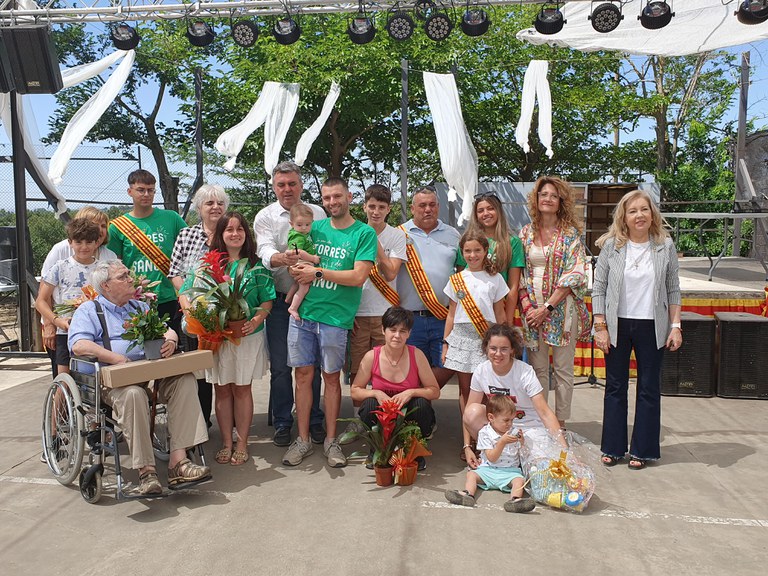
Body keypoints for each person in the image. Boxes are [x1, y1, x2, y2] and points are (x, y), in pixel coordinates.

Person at [68, 260, 211, 495]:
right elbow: (79, 345)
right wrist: (114, 358)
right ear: (106, 285)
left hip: (149, 375)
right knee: (133, 394)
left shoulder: (139, 306)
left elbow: (166, 329)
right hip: (114, 384)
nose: (130, 279)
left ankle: (178, 462)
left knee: (185, 381)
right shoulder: (90, 311)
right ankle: (146, 471)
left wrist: (171, 340)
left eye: (129, 274)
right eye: (123, 276)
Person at [283, 177, 378, 468]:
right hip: (304, 315)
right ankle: (302, 440)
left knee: (332, 378)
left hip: (336, 319)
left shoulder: (363, 233)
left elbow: (358, 276)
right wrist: (294, 265)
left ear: (349, 196)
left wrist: (318, 273)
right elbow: (297, 260)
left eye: (337, 196)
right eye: (326, 198)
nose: (332, 202)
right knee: (302, 377)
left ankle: (331, 440)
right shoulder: (315, 227)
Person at [592, 190, 682, 471]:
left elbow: (673, 288)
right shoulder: (611, 246)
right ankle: (613, 448)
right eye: (633, 211)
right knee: (615, 387)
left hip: (652, 326)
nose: (639, 215)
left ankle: (643, 450)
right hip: (617, 325)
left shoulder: (665, 246)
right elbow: (599, 288)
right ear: (624, 217)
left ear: (652, 214)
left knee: (649, 388)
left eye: (644, 209)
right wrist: (600, 326)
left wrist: (676, 326)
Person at [184, 212, 274, 467]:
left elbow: (267, 300)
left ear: (247, 233)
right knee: (221, 389)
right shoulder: (208, 264)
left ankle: (242, 443)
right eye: (229, 229)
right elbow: (186, 292)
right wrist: (196, 317)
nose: (235, 234)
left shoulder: (256, 265)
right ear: (220, 234)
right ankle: (226, 442)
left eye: (240, 229)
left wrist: (256, 320)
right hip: (217, 337)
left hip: (247, 336)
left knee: (242, 388)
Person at [253, 161, 327, 448]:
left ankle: (315, 419)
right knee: (282, 366)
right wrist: (282, 258)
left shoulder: (317, 213)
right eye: (281, 184)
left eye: (292, 183)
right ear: (274, 187)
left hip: (314, 299)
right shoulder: (266, 216)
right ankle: (283, 421)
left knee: (312, 364)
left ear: (301, 185)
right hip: (279, 301)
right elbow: (264, 249)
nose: (287, 189)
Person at [518, 176, 590, 430]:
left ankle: (560, 424)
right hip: (531, 312)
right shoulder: (525, 233)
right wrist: (529, 308)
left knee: (562, 370)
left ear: (561, 202)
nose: (547, 199)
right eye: (543, 194)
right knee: (537, 370)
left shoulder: (570, 235)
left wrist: (546, 308)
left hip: (561, 310)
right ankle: (541, 422)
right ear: (536, 199)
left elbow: (575, 274)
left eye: (553, 196)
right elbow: (519, 273)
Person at [343, 184, 406, 441]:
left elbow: (390, 273)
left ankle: (387, 418)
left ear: (389, 209)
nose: (376, 211)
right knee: (358, 368)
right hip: (357, 311)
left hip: (385, 313)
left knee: (388, 368)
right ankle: (358, 418)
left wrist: (373, 240)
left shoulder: (397, 236)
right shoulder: (353, 232)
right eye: (372, 206)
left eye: (381, 207)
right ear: (364, 207)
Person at [442, 231, 508, 461]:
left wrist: (504, 343)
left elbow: (500, 313)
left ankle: (488, 440)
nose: (472, 255)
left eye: (477, 250)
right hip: (461, 337)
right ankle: (468, 442)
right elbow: (451, 314)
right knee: (465, 390)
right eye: (467, 251)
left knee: (489, 391)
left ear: (485, 251)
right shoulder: (456, 279)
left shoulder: (495, 278)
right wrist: (446, 343)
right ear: (462, 253)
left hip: (487, 338)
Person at [463, 323, 565, 470]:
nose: (498, 354)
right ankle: (491, 450)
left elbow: (545, 413)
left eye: (504, 349)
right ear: (486, 348)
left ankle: (512, 459)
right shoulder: (481, 370)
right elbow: (467, 415)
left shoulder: (525, 372)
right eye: (493, 348)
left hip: (528, 428)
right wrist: (467, 447)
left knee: (541, 469)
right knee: (472, 412)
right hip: (497, 429)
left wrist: (565, 451)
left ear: (512, 349)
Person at [169, 183, 230, 428]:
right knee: (198, 372)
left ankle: (229, 425)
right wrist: (189, 304)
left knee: (225, 371)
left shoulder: (231, 233)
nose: (215, 207)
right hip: (193, 314)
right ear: (199, 208)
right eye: (209, 203)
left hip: (225, 314)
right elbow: (174, 272)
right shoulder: (187, 235)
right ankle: (201, 423)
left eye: (220, 203)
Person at [350, 307, 439, 469]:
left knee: (421, 404)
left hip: (408, 415)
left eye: (402, 331)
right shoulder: (372, 356)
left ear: (409, 334)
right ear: (383, 330)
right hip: (384, 416)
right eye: (392, 330)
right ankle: (377, 449)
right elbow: (355, 391)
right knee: (369, 404)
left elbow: (434, 391)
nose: (397, 335)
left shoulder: (417, 355)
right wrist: (376, 393)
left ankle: (414, 451)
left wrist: (411, 392)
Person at [396, 186, 463, 388]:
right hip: (410, 318)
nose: (428, 209)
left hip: (443, 316)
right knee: (410, 368)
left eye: (432, 205)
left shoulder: (453, 234)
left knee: (449, 363)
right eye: (422, 205)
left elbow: (462, 274)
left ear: (438, 207)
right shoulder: (399, 234)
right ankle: (420, 404)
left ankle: (419, 394)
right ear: (412, 208)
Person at [107, 169, 187, 335]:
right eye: (141, 190)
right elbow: (114, 265)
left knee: (171, 345)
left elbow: (189, 248)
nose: (146, 194)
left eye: (150, 190)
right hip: (134, 300)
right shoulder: (117, 227)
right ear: (130, 191)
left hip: (167, 297)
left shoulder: (172, 218)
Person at [40, 206, 117, 377]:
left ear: (96, 242)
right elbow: (42, 298)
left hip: (96, 330)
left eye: (103, 226)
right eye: (95, 225)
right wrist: (53, 323)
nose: (84, 246)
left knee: (93, 376)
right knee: (63, 377)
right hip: (65, 329)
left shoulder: (106, 261)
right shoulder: (60, 260)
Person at [445, 394, 536, 513]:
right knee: (472, 475)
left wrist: (521, 441)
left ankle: (515, 500)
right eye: (506, 420)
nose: (510, 424)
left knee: (519, 480)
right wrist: (502, 442)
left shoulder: (512, 432)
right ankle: (468, 494)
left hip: (509, 471)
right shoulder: (485, 433)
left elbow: (522, 452)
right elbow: (492, 458)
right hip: (488, 469)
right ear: (491, 417)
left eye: (512, 420)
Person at [467, 191, 525, 325]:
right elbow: (460, 278)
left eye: (490, 208)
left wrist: (507, 322)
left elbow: (513, 287)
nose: (486, 213)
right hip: (473, 310)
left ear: (499, 211)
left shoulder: (513, 242)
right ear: (475, 215)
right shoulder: (468, 242)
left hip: (500, 310)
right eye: (480, 210)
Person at [285, 203, 321, 321]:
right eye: (299, 224)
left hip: (300, 263)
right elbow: (298, 252)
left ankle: (288, 298)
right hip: (302, 263)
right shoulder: (298, 236)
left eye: (307, 224)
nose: (304, 227)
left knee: (297, 283)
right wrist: (313, 258)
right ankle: (293, 308)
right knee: (304, 287)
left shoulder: (301, 233)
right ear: (291, 224)